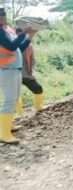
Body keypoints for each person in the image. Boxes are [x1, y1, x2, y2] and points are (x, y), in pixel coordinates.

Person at [0, 6, 36, 144]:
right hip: (6, 69)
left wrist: (30, 36)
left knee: (14, 98)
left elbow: (19, 48)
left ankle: (8, 125)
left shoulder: (7, 29)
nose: (2, 16)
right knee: (9, 99)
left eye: (3, 14)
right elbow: (11, 46)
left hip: (15, 69)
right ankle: (3, 133)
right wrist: (23, 33)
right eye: (0, 14)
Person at [15, 28, 45, 114]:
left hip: (26, 74)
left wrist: (31, 71)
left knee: (38, 88)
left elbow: (32, 60)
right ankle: (19, 113)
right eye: (18, 36)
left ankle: (38, 107)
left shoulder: (29, 46)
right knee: (16, 94)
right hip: (16, 74)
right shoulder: (14, 46)